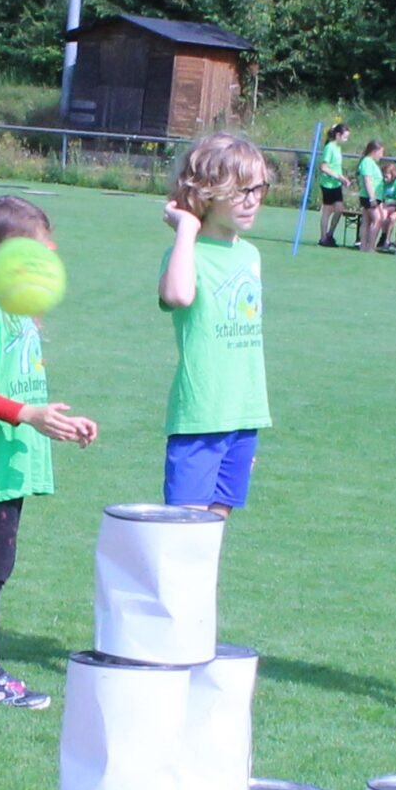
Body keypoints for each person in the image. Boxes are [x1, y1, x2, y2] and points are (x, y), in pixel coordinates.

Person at [0, 197, 95, 710]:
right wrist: (30, 417)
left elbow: (21, 388)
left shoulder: (16, 307)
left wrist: (59, 422)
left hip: (16, 456)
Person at [158, 133, 272, 518]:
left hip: (242, 416)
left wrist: (245, 418)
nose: (252, 199)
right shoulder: (186, 253)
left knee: (212, 535)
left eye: (258, 188)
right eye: (241, 190)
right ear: (206, 192)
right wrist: (186, 230)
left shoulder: (250, 255)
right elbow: (177, 296)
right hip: (200, 417)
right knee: (184, 533)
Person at [316, 123, 349, 246]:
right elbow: (324, 167)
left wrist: (342, 179)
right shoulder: (329, 147)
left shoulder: (337, 148)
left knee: (339, 209)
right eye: (345, 137)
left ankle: (330, 234)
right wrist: (339, 177)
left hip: (336, 184)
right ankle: (323, 238)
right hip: (328, 184)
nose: (346, 140)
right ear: (338, 135)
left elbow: (336, 167)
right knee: (327, 210)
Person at [355, 138, 389, 253]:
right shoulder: (367, 162)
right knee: (377, 219)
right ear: (374, 151)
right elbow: (367, 180)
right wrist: (372, 197)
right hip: (369, 197)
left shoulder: (371, 163)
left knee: (366, 221)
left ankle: (363, 246)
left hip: (372, 197)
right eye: (381, 152)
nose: (382, 155)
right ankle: (370, 246)